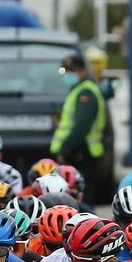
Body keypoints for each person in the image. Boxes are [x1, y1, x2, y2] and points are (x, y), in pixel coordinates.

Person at [50, 54, 107, 185]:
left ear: (82, 71)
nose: (67, 74)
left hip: (82, 153)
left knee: (81, 198)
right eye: (65, 71)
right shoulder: (77, 90)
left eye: (72, 71)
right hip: (77, 153)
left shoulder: (86, 92)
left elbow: (81, 126)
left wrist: (64, 149)